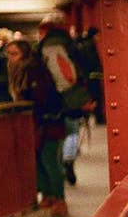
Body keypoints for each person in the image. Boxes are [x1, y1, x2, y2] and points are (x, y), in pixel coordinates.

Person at [6, 38, 68, 217]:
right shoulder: (18, 70)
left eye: (14, 54)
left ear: (24, 53)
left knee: (49, 160)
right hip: (36, 123)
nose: (11, 58)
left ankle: (59, 198)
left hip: (48, 121)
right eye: (8, 54)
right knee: (39, 160)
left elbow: (41, 96)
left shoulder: (34, 69)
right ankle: (48, 196)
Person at [38, 11, 94, 186]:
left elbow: (61, 74)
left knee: (62, 132)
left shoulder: (48, 45)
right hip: (69, 95)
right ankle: (68, 159)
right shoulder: (67, 44)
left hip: (56, 97)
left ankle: (64, 161)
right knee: (72, 130)